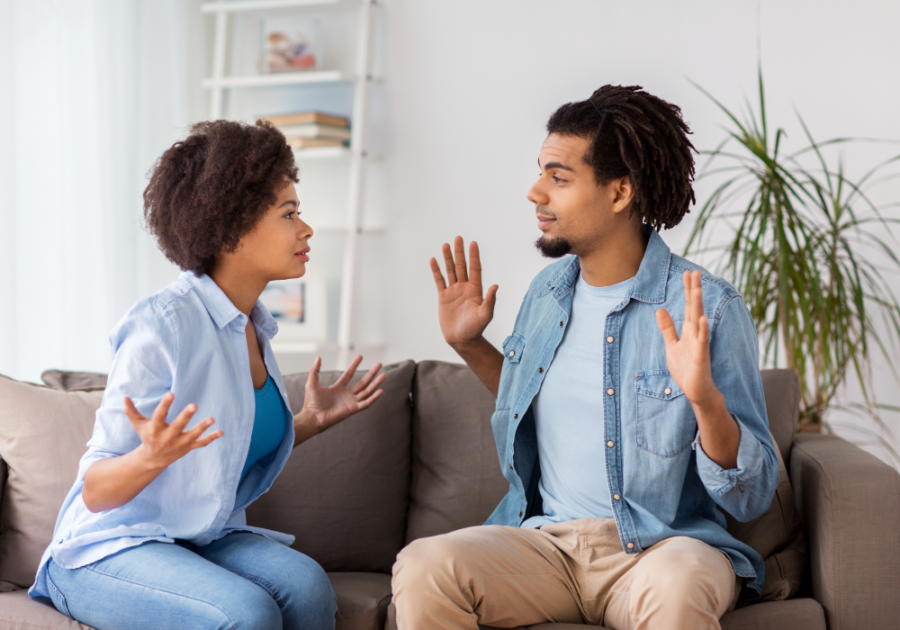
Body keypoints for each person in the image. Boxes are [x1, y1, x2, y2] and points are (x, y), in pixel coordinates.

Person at [392, 85, 779, 630]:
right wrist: (469, 345)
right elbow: (529, 396)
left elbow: (753, 493)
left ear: (619, 192)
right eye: (540, 172)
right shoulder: (547, 292)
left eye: (558, 176)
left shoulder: (708, 308)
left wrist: (704, 399)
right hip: (548, 549)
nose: (534, 192)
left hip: (661, 551)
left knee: (676, 587)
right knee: (425, 566)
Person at [28, 120, 386, 630]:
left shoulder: (252, 324)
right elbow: (96, 490)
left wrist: (307, 421)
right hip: (107, 547)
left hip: (194, 535)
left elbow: (226, 440)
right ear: (232, 229)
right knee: (247, 613)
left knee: (308, 588)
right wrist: (151, 457)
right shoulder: (162, 325)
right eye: (289, 214)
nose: (306, 229)